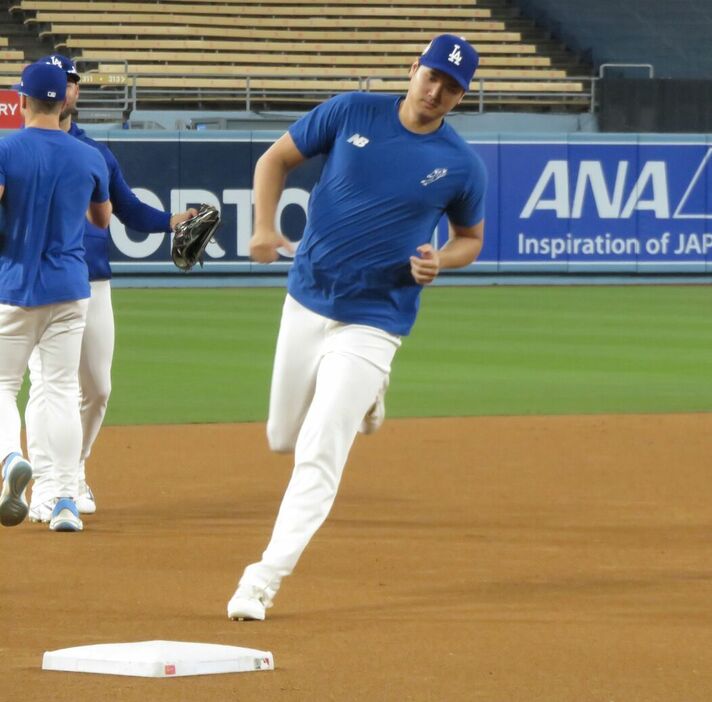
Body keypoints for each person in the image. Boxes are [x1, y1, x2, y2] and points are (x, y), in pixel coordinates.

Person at [227, 34, 487, 620]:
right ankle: (371, 397)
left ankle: (262, 580)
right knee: (281, 438)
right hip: (308, 298)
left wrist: (438, 260)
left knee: (319, 452)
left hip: (377, 318)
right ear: (412, 67)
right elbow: (275, 159)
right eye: (432, 76)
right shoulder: (351, 111)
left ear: (461, 96)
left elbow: (470, 240)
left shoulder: (462, 165)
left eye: (452, 86)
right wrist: (265, 228)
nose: (437, 91)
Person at [24, 54, 197, 524]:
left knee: (98, 389)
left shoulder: (95, 152)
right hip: (40, 284)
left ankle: (72, 467)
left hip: (93, 283)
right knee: (47, 385)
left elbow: (129, 212)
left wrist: (172, 222)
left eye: (75, 81)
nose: (70, 88)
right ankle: (47, 485)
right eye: (65, 81)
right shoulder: (22, 146)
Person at [0, 62, 111, 531]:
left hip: (16, 284)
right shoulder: (89, 155)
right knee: (62, 390)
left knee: (4, 385)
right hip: (70, 287)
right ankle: (64, 500)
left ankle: (10, 459)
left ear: (23, 101)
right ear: (63, 101)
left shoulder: (6, 147)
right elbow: (102, 220)